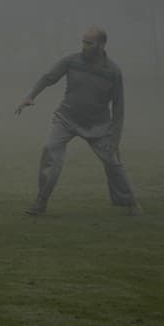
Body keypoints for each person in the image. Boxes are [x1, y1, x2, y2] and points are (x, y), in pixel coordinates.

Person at [15, 27, 142, 216]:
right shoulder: (71, 61)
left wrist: (115, 138)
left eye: (89, 43)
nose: (84, 46)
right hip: (66, 118)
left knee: (112, 162)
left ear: (101, 44)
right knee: (50, 151)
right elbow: (48, 77)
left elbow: (118, 106)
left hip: (98, 125)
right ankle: (41, 202)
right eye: (83, 42)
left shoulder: (113, 71)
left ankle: (130, 202)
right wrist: (30, 96)